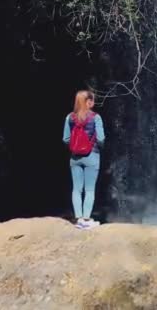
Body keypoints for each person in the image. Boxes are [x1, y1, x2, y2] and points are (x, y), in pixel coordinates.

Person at [63, 90, 105, 229]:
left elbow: (66, 139)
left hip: (75, 158)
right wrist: (96, 146)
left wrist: (76, 146)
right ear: (88, 102)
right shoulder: (96, 117)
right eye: (92, 100)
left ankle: (78, 219)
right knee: (89, 190)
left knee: (76, 189)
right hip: (92, 156)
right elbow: (101, 138)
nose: (93, 103)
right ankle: (86, 220)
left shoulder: (70, 117)